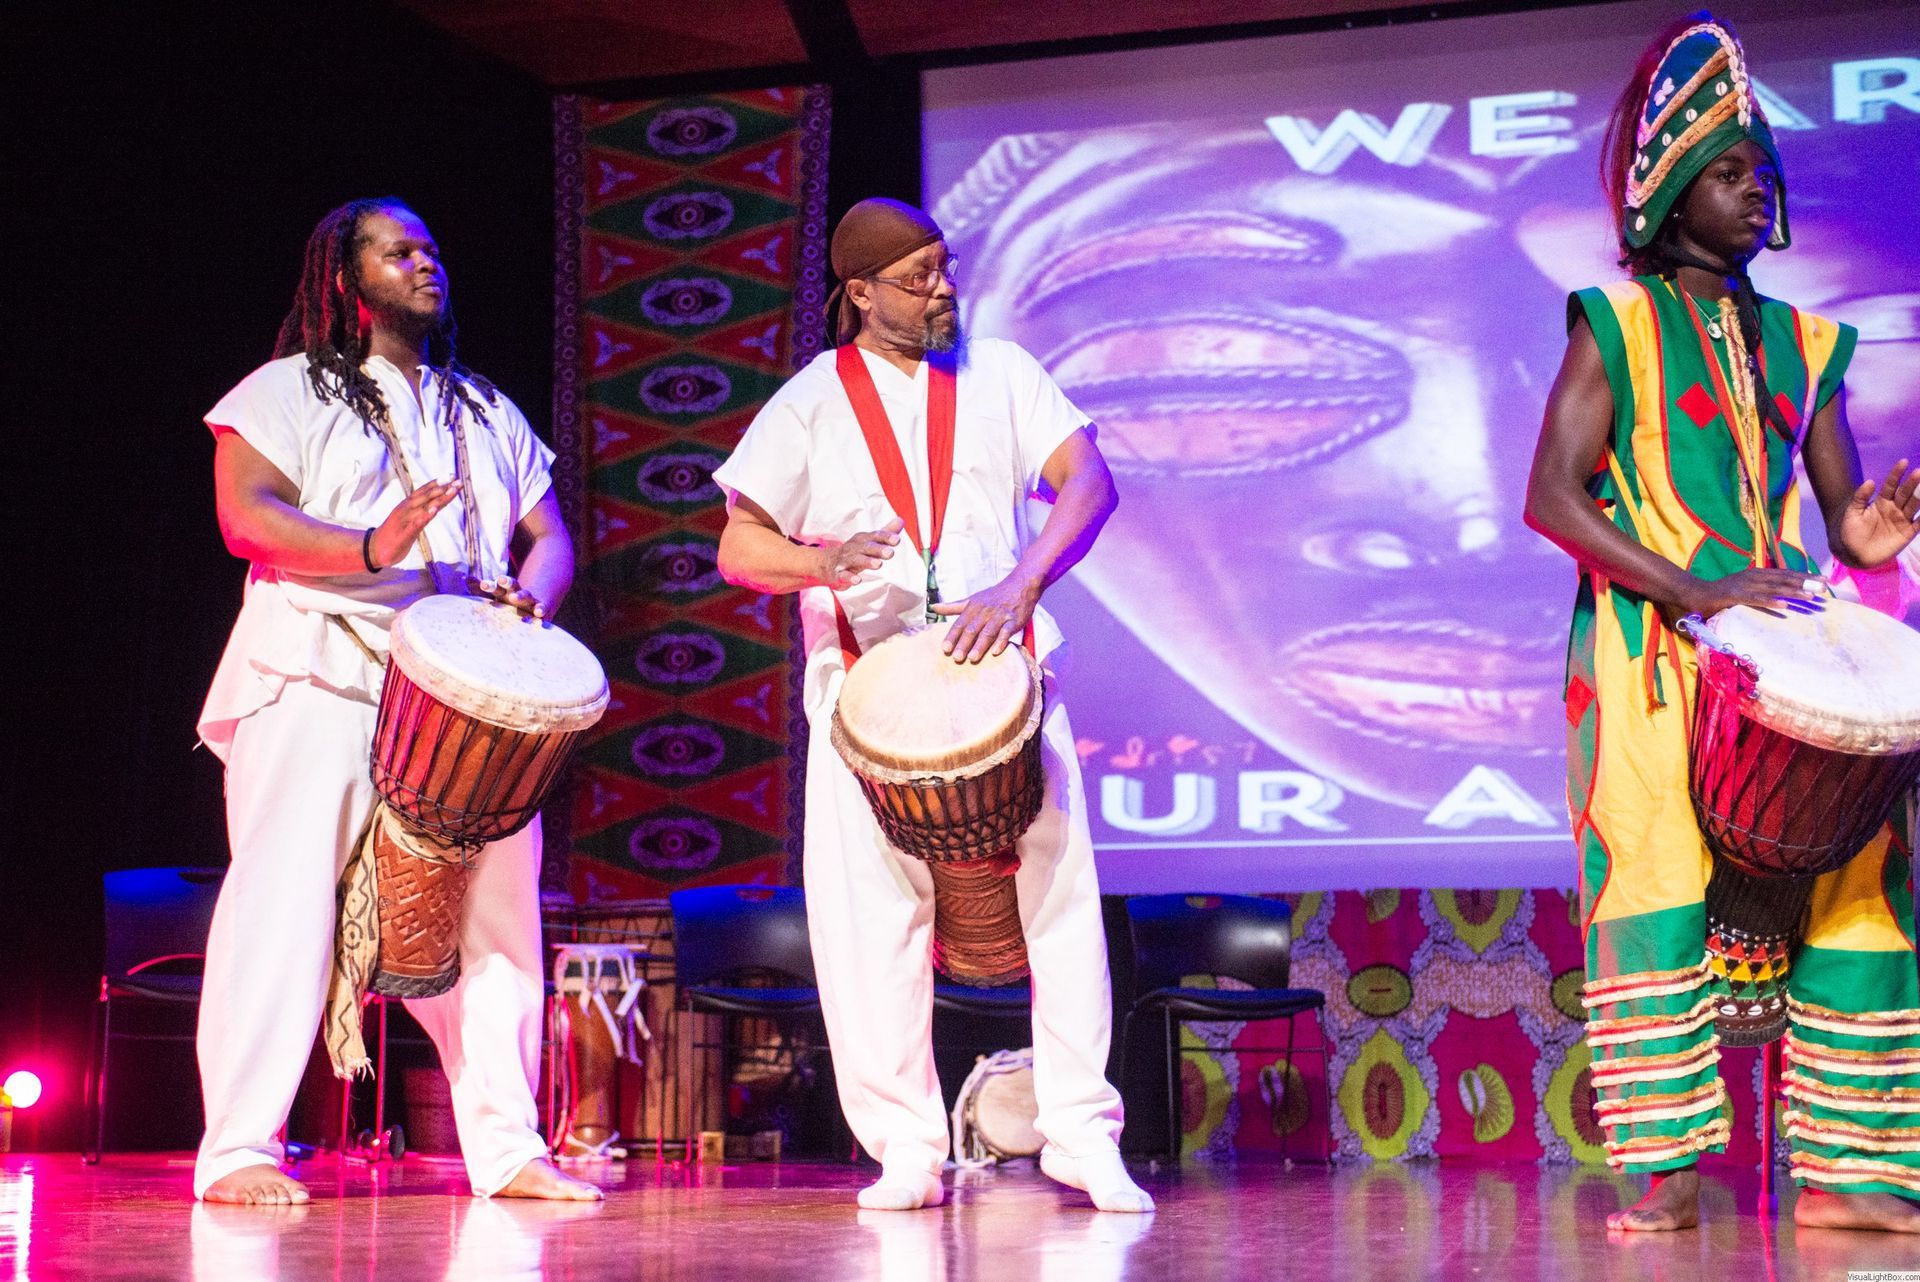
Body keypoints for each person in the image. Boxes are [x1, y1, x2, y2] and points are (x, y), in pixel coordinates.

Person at [1524, 17, 1920, 1232]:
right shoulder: (1617, 321)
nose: (1759, 196)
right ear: (1668, 194)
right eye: (1733, 175)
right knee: (1655, 892)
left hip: (1780, 636)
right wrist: (1693, 590)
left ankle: (1852, 1180)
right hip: (1649, 648)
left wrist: (1867, 535)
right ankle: (1663, 1180)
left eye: (1765, 177)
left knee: (1866, 890)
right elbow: (1549, 494)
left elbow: (1842, 509)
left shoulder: (1807, 341)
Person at [713, 198, 1153, 1213]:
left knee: (1059, 900)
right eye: (918, 276)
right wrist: (818, 560)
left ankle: (1081, 1131)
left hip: (1004, 675)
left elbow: (1088, 483)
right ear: (862, 293)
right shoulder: (813, 400)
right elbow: (740, 545)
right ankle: (905, 1144)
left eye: (946, 267)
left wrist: (1023, 583)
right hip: (864, 691)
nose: (943, 287)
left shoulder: (1002, 376)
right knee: (873, 921)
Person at [194, 198, 599, 1206]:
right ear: (345, 278)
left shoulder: (488, 409)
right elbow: (245, 515)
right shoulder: (284, 390)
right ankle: (240, 1145)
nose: (428, 262)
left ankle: (508, 1148)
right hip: (320, 665)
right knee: (284, 902)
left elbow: (550, 536)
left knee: (499, 915)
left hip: (466, 696)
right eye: (399, 249)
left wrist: (529, 607)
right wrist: (371, 547)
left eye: (432, 247)